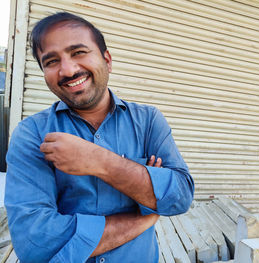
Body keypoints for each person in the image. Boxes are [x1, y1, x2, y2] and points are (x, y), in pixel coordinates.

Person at [5, 12, 194, 263]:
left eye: (79, 52)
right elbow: (35, 242)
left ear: (107, 60)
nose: (68, 70)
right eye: (51, 61)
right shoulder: (32, 134)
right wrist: (143, 213)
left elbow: (179, 197)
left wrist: (100, 162)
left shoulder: (148, 121)